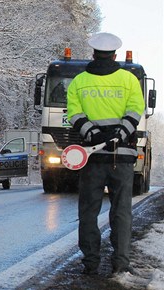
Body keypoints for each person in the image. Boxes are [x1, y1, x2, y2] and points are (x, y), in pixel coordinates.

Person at [66, 32, 145, 276]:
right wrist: (120, 134)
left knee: (88, 211)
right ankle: (120, 263)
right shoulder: (129, 80)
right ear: (115, 55)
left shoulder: (78, 82)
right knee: (121, 211)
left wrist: (93, 134)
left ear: (93, 53)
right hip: (122, 158)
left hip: (91, 158)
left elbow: (74, 114)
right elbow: (135, 110)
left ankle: (91, 262)